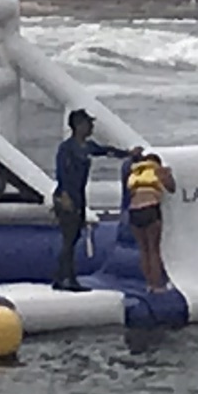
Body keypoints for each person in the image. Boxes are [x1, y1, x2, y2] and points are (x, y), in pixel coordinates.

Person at [51, 109, 138, 291]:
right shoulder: (67, 148)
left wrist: (128, 153)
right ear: (78, 125)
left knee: (73, 238)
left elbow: (106, 151)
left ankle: (63, 277)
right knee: (69, 238)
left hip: (79, 196)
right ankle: (67, 279)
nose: (91, 127)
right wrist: (65, 197)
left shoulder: (86, 146)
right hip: (67, 195)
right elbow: (61, 173)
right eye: (88, 124)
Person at [122, 149, 177, 292]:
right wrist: (167, 174)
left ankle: (149, 284)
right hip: (150, 209)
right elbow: (171, 188)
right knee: (154, 249)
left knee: (144, 250)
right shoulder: (157, 170)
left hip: (134, 212)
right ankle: (157, 285)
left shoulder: (135, 174)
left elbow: (131, 192)